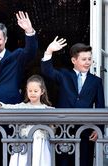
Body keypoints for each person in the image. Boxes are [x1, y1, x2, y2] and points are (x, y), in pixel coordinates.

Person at [0, 11, 38, 166]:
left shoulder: (16, 57)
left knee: (11, 160)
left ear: (5, 39)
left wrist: (29, 31)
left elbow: (31, 52)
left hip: (11, 116)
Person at [41, 37, 105, 166]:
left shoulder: (96, 81)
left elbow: (100, 106)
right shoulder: (64, 75)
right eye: (83, 59)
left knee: (84, 161)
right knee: (63, 162)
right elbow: (47, 71)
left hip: (86, 130)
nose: (87, 62)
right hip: (64, 128)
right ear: (74, 60)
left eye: (89, 59)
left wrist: (98, 129)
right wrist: (49, 52)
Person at [0, 75, 53, 166]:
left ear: (42, 91)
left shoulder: (48, 109)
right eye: (30, 91)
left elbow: (54, 126)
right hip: (23, 144)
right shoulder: (23, 106)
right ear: (26, 90)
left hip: (40, 144)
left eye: (35, 91)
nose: (32, 93)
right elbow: (9, 107)